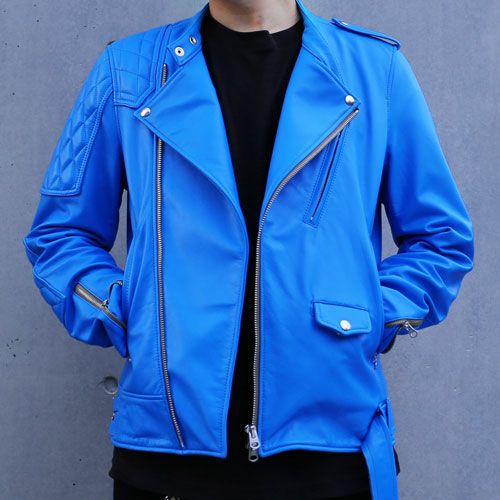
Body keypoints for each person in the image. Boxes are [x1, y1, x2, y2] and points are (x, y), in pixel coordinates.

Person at [22, 1, 474, 499]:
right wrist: (132, 315)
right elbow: (60, 236)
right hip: (165, 455)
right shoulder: (128, 71)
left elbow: (441, 238)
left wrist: (367, 314)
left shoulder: (374, 70)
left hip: (333, 450)